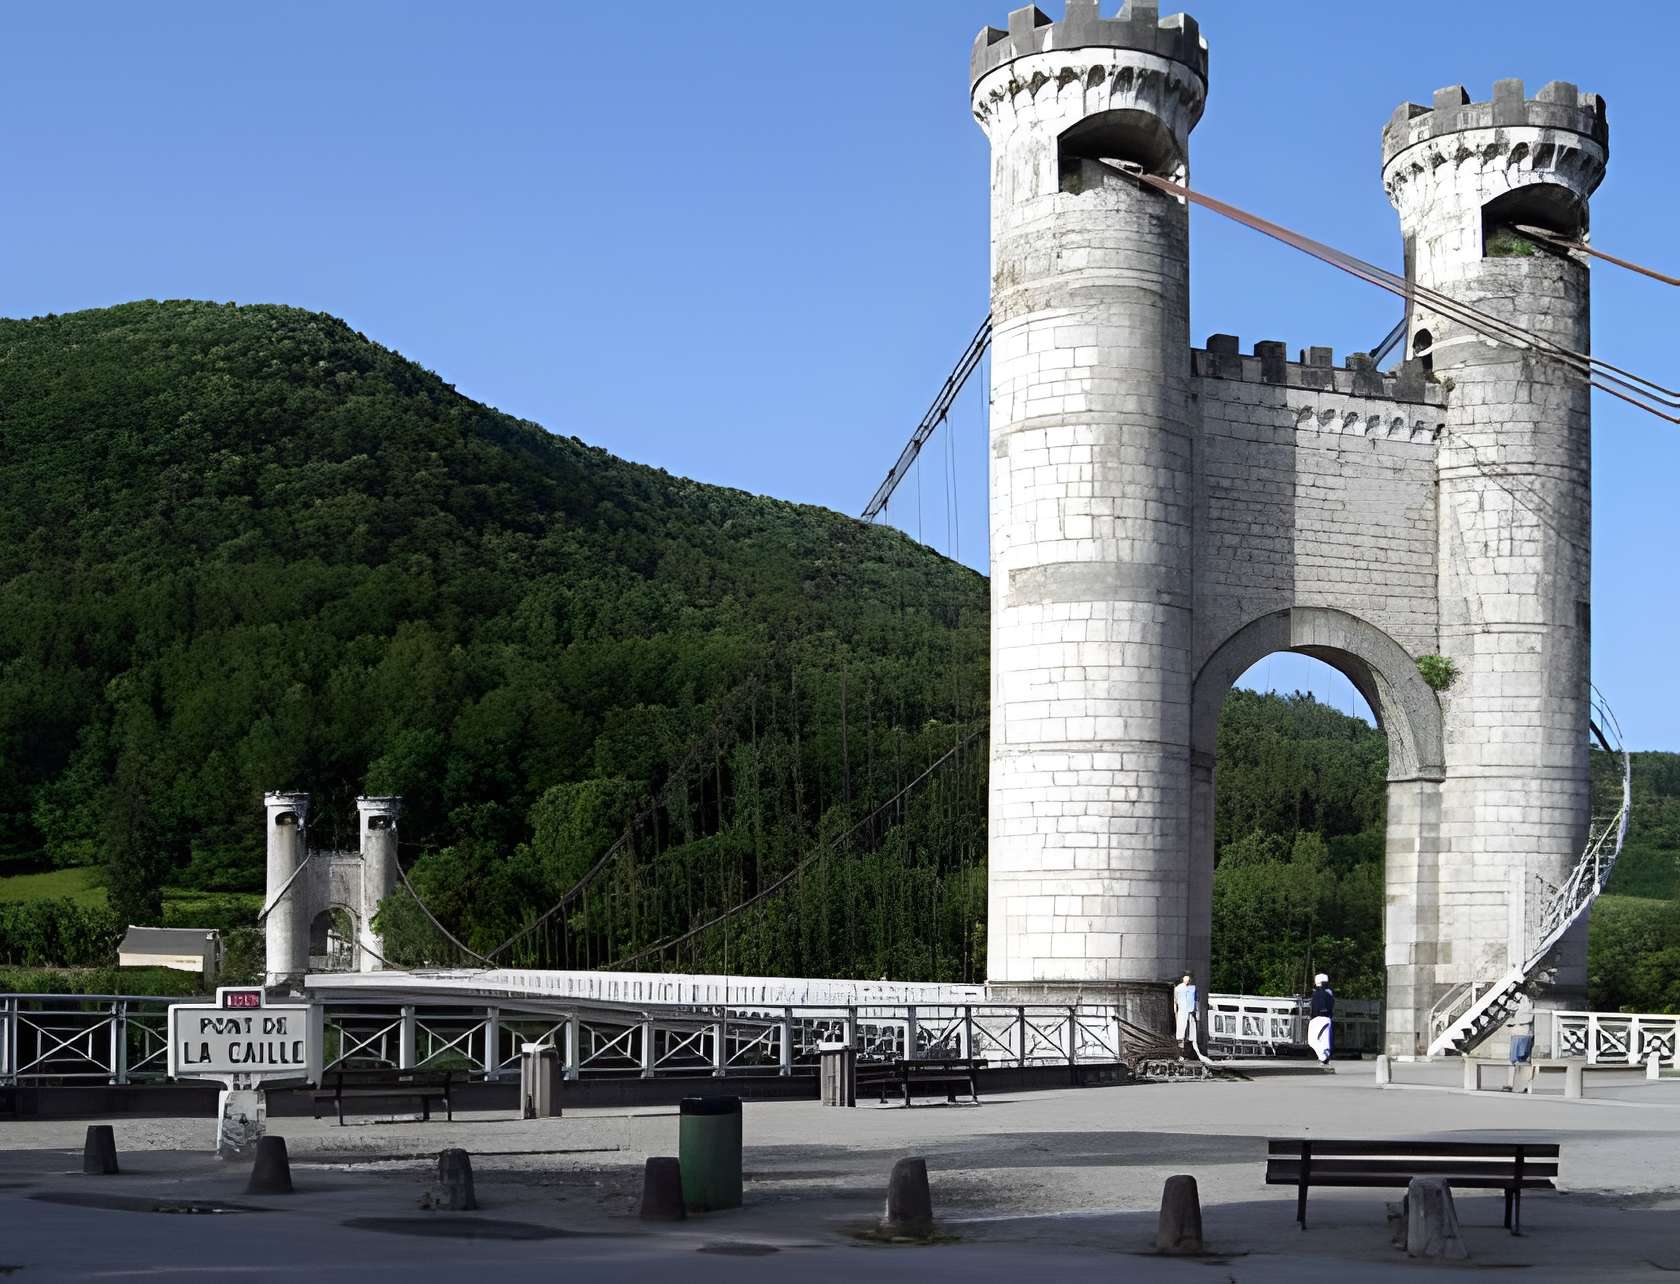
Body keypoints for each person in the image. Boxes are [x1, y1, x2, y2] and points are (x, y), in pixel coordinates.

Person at [1504, 991, 1536, 1093]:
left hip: (1520, 1033)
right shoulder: (1529, 1000)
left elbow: (1515, 1009)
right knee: (1524, 1060)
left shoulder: (1523, 999)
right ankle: (1526, 1085)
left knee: (1515, 1060)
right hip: (1525, 1033)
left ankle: (1512, 1084)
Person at [1307, 973, 1334, 1064]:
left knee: (1312, 1040)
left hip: (1318, 1018)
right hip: (1326, 1018)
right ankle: (1324, 1058)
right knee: (1324, 1040)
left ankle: (1324, 1056)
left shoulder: (1320, 992)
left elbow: (1319, 1005)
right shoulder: (1328, 992)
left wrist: (1321, 1011)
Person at [1173, 972, 1200, 1059]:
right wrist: (1176, 1013)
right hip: (1182, 1013)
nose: (1187, 981)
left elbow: (1196, 1001)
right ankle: (1181, 1054)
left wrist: (1197, 1012)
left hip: (1190, 1013)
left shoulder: (1193, 988)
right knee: (1181, 1034)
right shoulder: (1178, 988)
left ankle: (1188, 1052)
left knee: (1190, 1034)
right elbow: (1175, 1001)